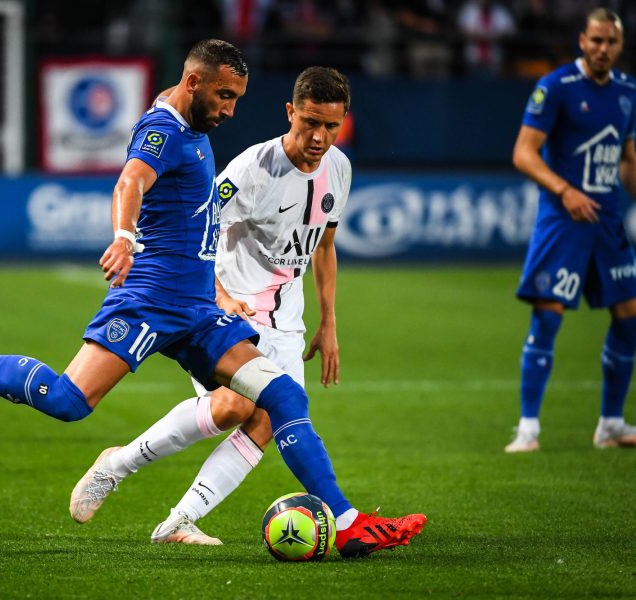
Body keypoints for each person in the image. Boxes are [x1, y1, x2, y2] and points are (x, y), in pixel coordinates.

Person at [0, 40, 425, 558]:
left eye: (236, 98)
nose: (230, 109)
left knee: (280, 398)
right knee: (66, 401)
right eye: (224, 95)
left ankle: (347, 521)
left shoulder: (189, 116)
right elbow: (130, 181)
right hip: (150, 300)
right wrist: (124, 236)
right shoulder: (164, 130)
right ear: (193, 81)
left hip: (199, 312)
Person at [69, 66, 426, 555]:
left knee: (262, 422)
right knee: (241, 406)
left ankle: (177, 519)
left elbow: (325, 244)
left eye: (331, 126)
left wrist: (330, 322)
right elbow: (201, 233)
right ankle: (119, 465)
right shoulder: (251, 170)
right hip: (231, 311)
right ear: (290, 113)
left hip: (288, 320)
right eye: (309, 124)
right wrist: (218, 295)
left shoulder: (339, 168)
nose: (319, 137)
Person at [506, 8, 636, 453]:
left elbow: (629, 159)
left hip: (608, 222)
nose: (603, 49)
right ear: (582, 40)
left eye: (611, 42)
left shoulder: (627, 91)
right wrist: (565, 190)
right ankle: (528, 429)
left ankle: (611, 424)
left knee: (629, 315)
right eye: (596, 40)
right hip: (564, 219)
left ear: (620, 45)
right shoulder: (556, 87)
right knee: (548, 315)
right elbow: (524, 153)